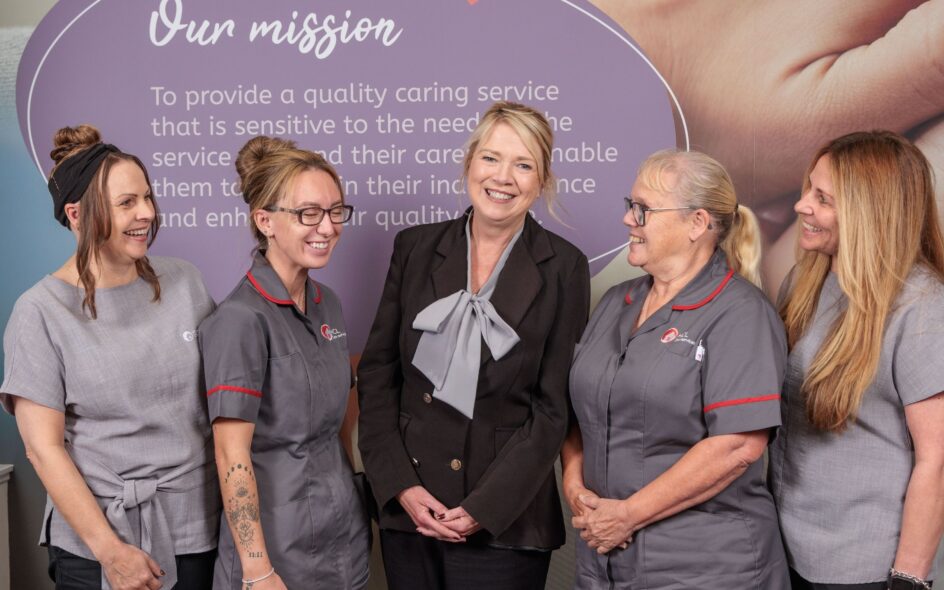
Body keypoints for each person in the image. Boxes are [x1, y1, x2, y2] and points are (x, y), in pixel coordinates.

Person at [357, 101, 590, 590]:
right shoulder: (415, 248)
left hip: (506, 520)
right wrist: (400, 485)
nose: (502, 177)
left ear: (542, 179)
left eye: (523, 164)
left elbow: (553, 409)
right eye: (491, 158)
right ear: (469, 163)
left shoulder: (565, 267)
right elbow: (379, 375)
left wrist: (485, 507)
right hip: (411, 508)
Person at [0, 125, 219, 589]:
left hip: (198, 530)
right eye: (126, 203)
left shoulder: (187, 283)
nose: (147, 213)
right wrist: (111, 552)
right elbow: (44, 450)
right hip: (99, 544)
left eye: (147, 197)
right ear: (77, 215)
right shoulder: (40, 312)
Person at [564, 149, 790, 588]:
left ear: (697, 224)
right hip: (604, 560)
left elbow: (737, 446)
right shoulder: (615, 303)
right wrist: (575, 488)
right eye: (630, 206)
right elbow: (579, 414)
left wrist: (628, 515)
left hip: (705, 567)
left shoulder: (741, 313)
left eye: (643, 209)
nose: (629, 220)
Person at [770, 131, 944, 590]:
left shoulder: (922, 308)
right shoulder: (805, 282)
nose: (801, 206)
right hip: (787, 550)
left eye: (822, 198)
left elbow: (938, 460)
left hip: (865, 567)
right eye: (809, 189)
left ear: (869, 213)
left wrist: (907, 579)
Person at [199, 136, 369, 590]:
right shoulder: (239, 320)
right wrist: (257, 570)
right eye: (308, 213)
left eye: (336, 211)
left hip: (344, 543)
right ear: (265, 221)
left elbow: (337, 426)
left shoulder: (327, 304)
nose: (328, 226)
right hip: (275, 557)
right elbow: (230, 455)